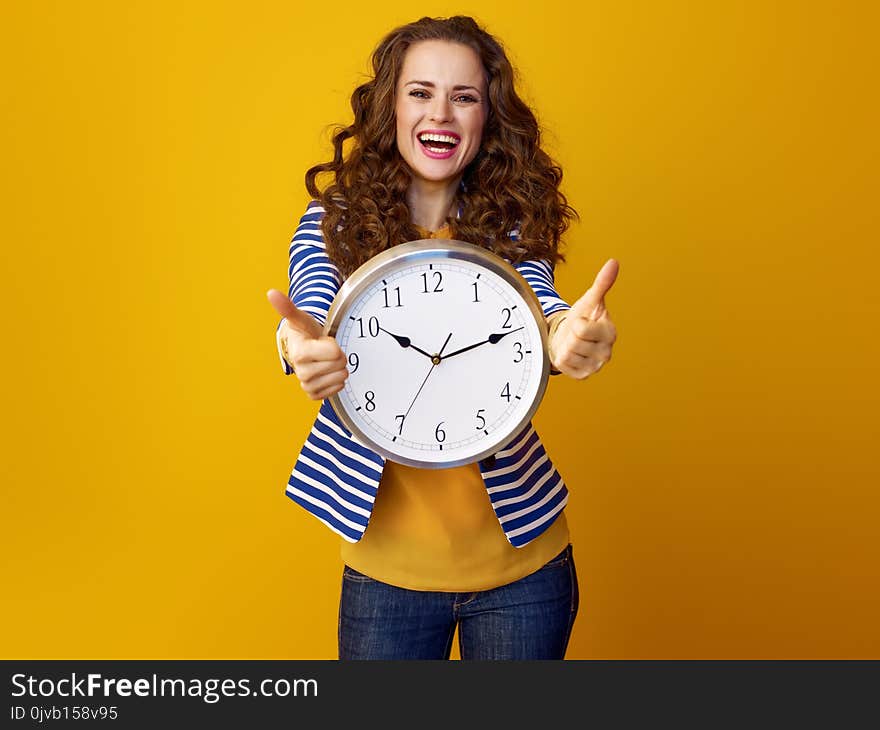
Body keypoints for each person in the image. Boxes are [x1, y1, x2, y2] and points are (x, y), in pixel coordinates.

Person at [267, 15, 618, 660]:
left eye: (465, 97)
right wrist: (300, 349)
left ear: (488, 118)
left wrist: (572, 335)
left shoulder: (508, 230)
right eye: (421, 92)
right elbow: (313, 309)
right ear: (390, 108)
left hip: (525, 571)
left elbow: (546, 310)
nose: (443, 113)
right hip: (387, 577)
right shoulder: (333, 222)